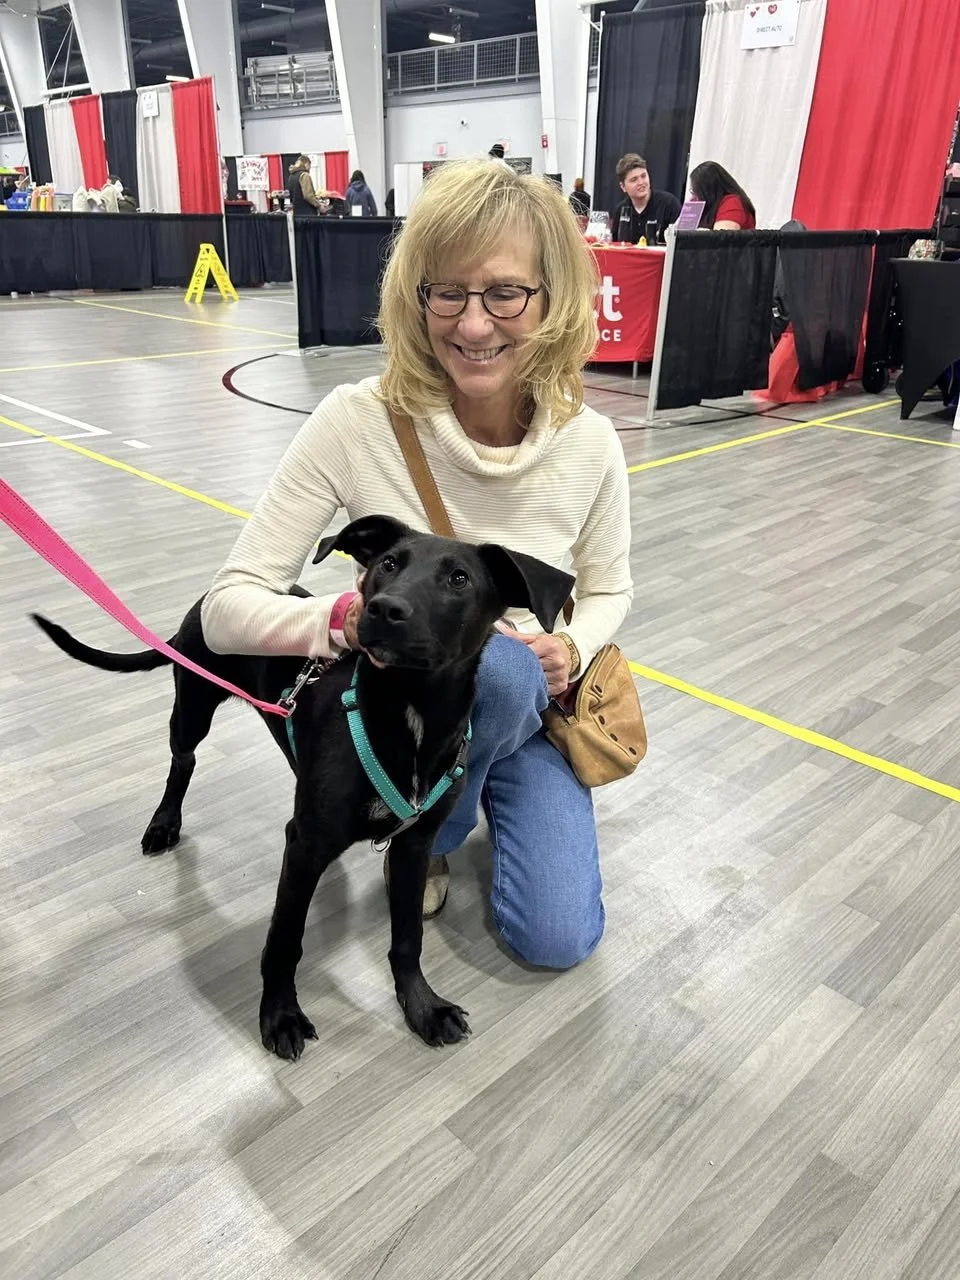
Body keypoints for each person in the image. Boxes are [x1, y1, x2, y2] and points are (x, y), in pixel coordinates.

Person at [201, 157, 633, 965]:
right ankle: (427, 827)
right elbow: (226, 608)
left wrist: (571, 647)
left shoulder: (591, 444)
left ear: (553, 299)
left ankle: (452, 801)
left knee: (557, 939)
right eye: (448, 293)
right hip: (404, 704)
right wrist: (344, 618)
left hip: (524, 716)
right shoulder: (355, 421)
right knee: (497, 670)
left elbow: (610, 588)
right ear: (416, 296)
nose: (474, 325)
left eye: (506, 293)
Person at [611, 154, 681, 244]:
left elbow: (679, 243)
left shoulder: (669, 204)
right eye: (634, 180)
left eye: (643, 176)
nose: (641, 182)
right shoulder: (620, 210)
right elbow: (616, 245)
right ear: (623, 186)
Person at [689, 161, 757, 230]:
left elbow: (722, 235)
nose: (693, 198)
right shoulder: (698, 201)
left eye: (696, 192)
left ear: (708, 191)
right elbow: (684, 230)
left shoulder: (732, 203)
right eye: (692, 192)